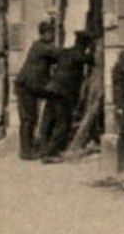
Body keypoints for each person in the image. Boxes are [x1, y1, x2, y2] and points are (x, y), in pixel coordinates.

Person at [39, 30, 94, 164]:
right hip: (62, 92)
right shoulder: (79, 55)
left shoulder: (65, 52)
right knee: (62, 124)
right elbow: (90, 59)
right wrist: (92, 52)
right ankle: (49, 153)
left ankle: (42, 149)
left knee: (48, 121)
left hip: (51, 89)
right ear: (84, 45)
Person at [9, 19, 57, 161]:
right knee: (28, 119)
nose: (52, 35)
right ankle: (26, 151)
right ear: (44, 34)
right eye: (50, 33)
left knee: (31, 118)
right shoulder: (41, 47)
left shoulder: (41, 47)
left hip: (29, 87)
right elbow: (57, 54)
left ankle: (29, 148)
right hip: (25, 88)